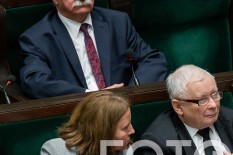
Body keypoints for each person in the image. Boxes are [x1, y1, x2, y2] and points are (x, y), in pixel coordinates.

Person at [19, 0, 167, 99]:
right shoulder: (37, 37)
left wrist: (126, 94)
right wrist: (92, 96)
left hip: (126, 107)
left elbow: (153, 60)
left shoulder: (118, 22)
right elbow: (34, 80)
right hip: (80, 115)